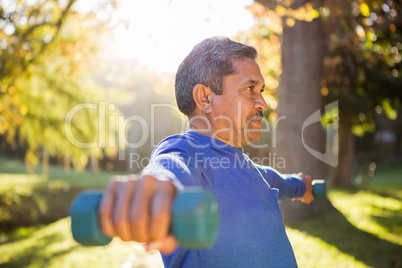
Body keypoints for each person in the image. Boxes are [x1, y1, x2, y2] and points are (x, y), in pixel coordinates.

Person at [98, 37, 314, 267]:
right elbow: (170, 171)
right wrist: (156, 194)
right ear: (205, 98)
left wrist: (303, 185)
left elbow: (280, 182)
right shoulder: (188, 154)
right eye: (250, 88)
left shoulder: (249, 170)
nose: (262, 103)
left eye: (261, 90)